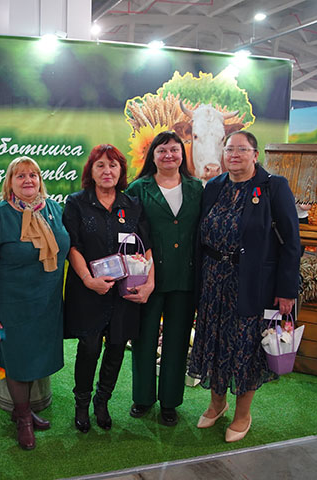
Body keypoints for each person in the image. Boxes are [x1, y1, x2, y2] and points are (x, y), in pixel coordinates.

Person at [188, 130, 300, 443]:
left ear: (255, 154)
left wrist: (287, 290)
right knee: (215, 343)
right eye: (229, 149)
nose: (234, 155)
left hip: (252, 284)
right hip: (213, 281)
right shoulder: (214, 186)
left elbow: (292, 242)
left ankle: (242, 414)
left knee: (245, 348)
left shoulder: (274, 187)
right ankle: (217, 404)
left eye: (241, 149)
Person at [0, 156, 70, 450]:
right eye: (20, 176)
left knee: (34, 358)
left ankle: (24, 411)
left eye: (33, 175)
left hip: (47, 303)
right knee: (16, 359)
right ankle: (23, 419)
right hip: (12, 305)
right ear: (10, 183)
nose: (28, 180)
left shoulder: (53, 209)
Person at [63, 145, 153, 433]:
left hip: (124, 292)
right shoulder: (77, 203)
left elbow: (146, 247)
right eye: (100, 165)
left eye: (113, 166)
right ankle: (81, 404)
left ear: (121, 171)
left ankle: (102, 402)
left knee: (116, 347)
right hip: (88, 290)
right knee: (89, 348)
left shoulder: (132, 204)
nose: (107, 171)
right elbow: (72, 247)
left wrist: (149, 281)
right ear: (91, 170)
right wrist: (89, 280)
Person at [125, 131, 203, 426]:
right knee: (144, 339)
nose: (169, 155)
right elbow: (130, 233)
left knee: (177, 341)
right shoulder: (139, 188)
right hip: (148, 278)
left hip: (185, 277)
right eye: (162, 150)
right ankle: (143, 398)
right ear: (152, 156)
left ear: (182, 154)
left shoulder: (197, 188)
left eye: (174, 150)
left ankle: (170, 401)